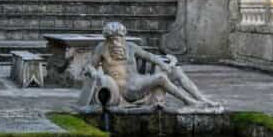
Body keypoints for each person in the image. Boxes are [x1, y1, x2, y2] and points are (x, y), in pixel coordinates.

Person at [79, 21, 217, 108]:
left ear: (123, 37)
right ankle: (188, 101)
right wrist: (94, 72)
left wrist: (164, 65)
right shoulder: (101, 48)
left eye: (118, 38)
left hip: (139, 81)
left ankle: (202, 99)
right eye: (112, 39)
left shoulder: (130, 46)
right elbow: (90, 66)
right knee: (160, 78)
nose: (116, 43)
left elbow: (149, 56)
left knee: (176, 71)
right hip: (126, 89)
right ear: (107, 39)